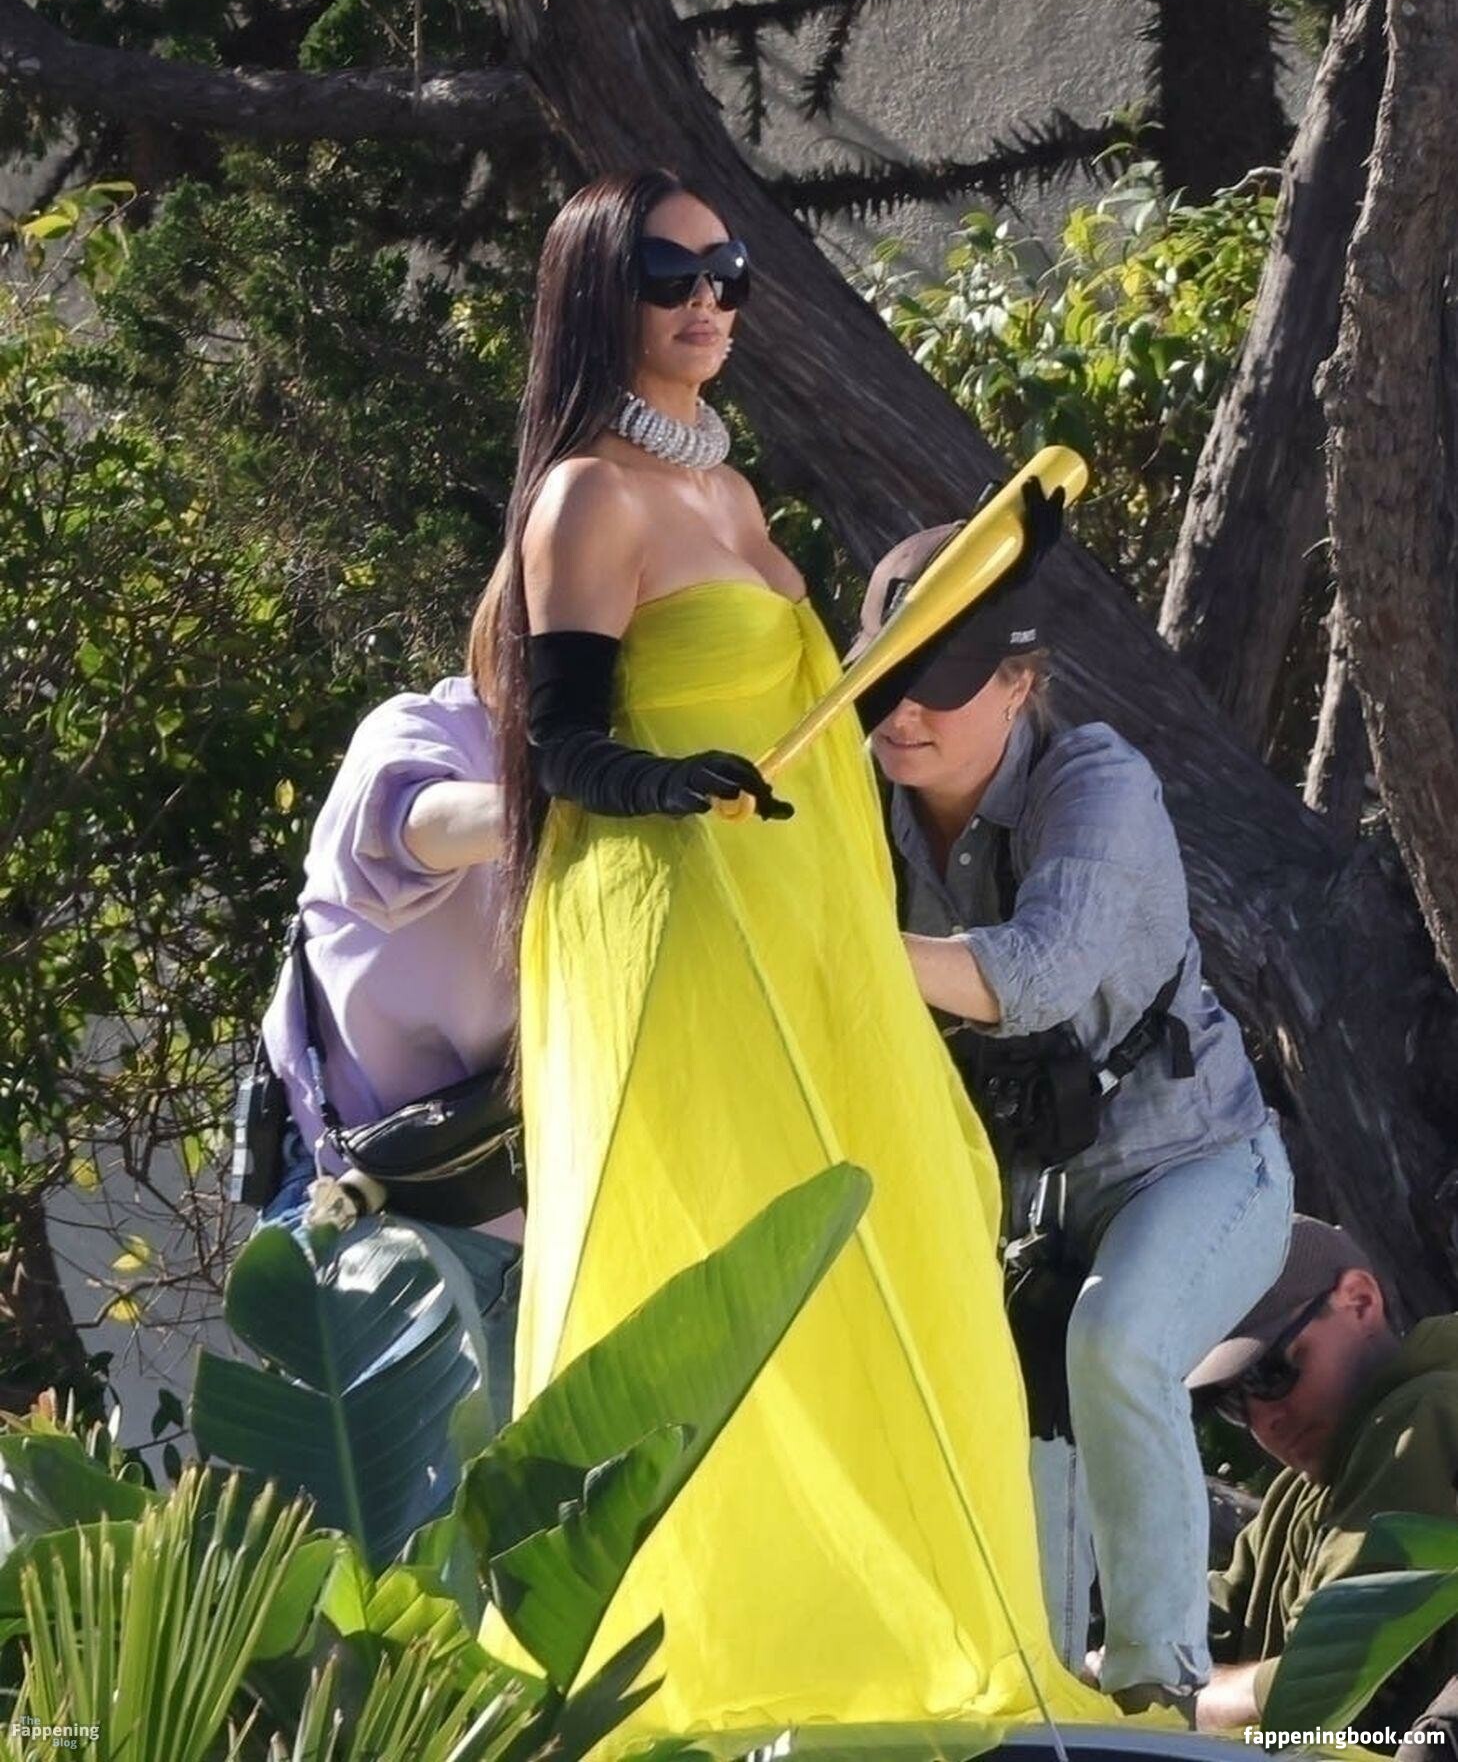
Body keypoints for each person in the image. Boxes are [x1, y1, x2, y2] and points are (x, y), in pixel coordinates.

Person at [477, 166, 1118, 1743]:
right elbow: (560, 744)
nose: (707, 302)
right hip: (676, 929)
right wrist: (662, 784)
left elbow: (799, 714)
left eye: (730, 273)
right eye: (669, 274)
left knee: (872, 1240)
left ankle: (878, 1627)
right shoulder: (588, 500)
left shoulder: (730, 495)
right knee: (705, 1251)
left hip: (791, 915)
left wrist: (969, 593)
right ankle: (673, 1655)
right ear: (601, 289)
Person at [862, 528, 1294, 1713]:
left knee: (1114, 1344)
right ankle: (1046, 1695)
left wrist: (842, 941)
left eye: (943, 683)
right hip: (1027, 1204)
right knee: (1009, 1407)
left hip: (1203, 1168)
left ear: (1020, 683)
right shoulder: (858, 793)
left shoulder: (1098, 781)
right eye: (886, 677)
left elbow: (1040, 975)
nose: (904, 711)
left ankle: (1159, 1686)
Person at [257, 667, 522, 1409]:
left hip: (547, 1249)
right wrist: (576, 802)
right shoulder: (425, 730)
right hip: (381, 1233)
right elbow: (413, 823)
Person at [1189, 1214, 1458, 1740]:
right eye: (1233, 1403)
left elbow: (1327, 1688)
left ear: (1359, 1301)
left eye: (1269, 1374)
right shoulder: (1298, 1492)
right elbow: (1190, 1633)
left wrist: (1188, 1697)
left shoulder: (1425, 1415)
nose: (1263, 1421)